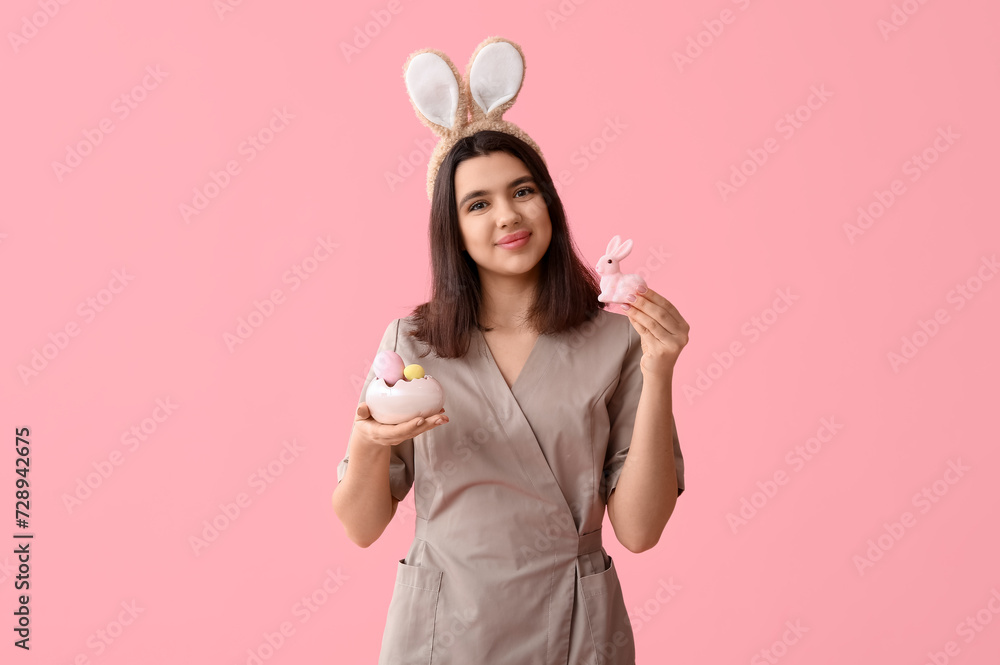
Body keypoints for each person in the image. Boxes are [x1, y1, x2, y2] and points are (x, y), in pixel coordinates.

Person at [332, 38, 688, 665]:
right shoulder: (414, 343)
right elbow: (362, 526)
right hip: (443, 629)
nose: (507, 216)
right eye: (478, 203)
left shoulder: (615, 338)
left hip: (573, 625)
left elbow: (639, 531)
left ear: (548, 199)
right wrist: (367, 443)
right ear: (454, 228)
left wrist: (659, 371)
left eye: (522, 191)